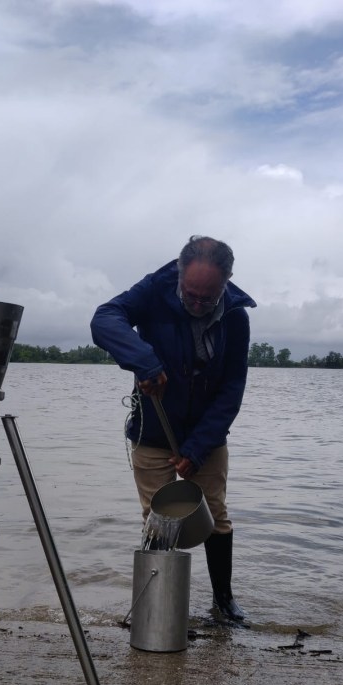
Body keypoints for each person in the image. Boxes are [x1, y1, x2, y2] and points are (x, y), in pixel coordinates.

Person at [90, 235, 256, 621]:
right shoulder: (154, 291)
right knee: (157, 518)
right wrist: (145, 363)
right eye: (190, 294)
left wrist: (197, 449)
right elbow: (104, 319)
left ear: (227, 282)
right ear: (180, 275)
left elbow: (231, 392)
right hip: (152, 430)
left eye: (207, 297)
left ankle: (224, 603)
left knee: (215, 514)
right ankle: (157, 609)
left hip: (208, 436)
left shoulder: (236, 318)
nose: (197, 304)